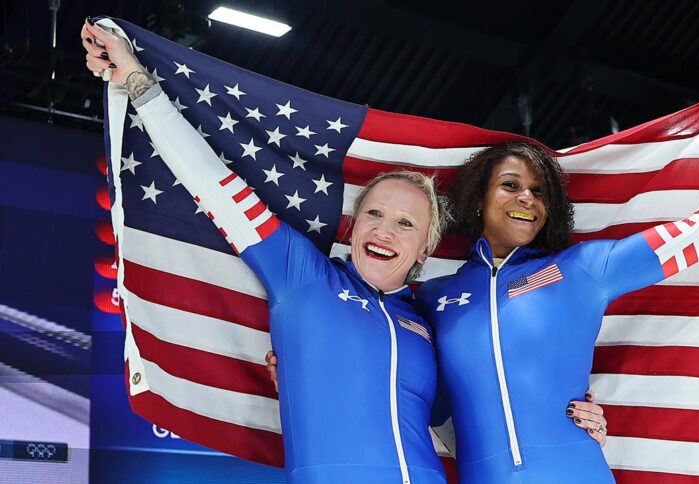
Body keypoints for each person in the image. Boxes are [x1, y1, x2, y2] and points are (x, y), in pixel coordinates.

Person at [81, 18, 605, 483]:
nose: (385, 231)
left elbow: (469, 427)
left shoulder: (426, 319)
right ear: (352, 227)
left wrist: (571, 430)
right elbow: (213, 185)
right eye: (374, 214)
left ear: (424, 250)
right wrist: (140, 84)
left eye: (406, 224)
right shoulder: (302, 276)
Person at [414, 77, 699, 483]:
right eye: (510, 185)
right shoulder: (434, 298)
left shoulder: (582, 268)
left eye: (539, 191)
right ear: (478, 198)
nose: (527, 198)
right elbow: (435, 408)